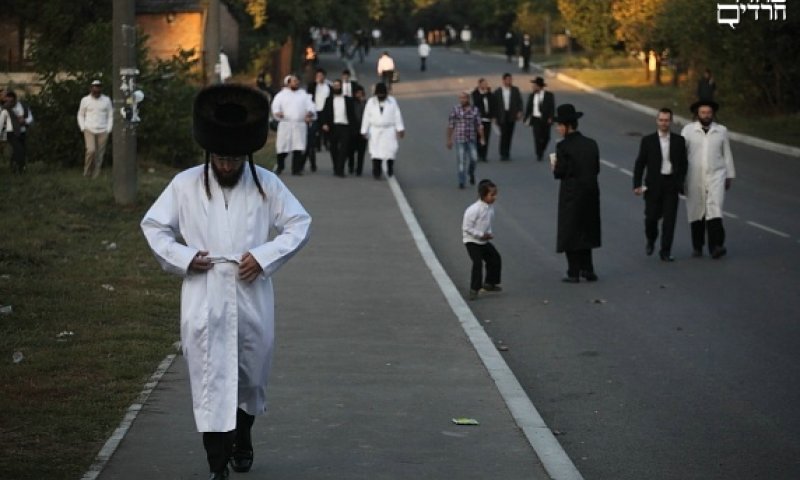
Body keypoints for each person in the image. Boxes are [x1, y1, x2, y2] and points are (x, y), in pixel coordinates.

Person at [140, 84, 311, 480]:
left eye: (235, 159)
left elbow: (300, 223)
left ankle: (243, 436)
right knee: (209, 377)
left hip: (252, 291)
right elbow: (154, 226)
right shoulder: (184, 184)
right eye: (221, 158)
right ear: (208, 153)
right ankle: (217, 466)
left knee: (250, 376)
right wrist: (184, 258)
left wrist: (264, 256)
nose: (228, 166)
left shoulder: (268, 184)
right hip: (205, 292)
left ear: (247, 154)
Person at [551, 104, 601, 283]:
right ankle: (588, 269)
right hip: (590, 193)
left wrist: (554, 166)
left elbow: (560, 172)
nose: (557, 128)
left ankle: (573, 271)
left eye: (559, 125)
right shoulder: (591, 143)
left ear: (567, 126)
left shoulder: (563, 146)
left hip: (571, 193)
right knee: (586, 229)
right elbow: (596, 168)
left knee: (570, 231)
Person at [681, 99, 735, 259]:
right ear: (697, 114)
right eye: (703, 113)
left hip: (716, 175)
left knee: (715, 209)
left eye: (709, 113)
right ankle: (697, 246)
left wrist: (729, 175)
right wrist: (679, 177)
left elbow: (727, 154)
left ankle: (716, 246)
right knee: (696, 211)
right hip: (693, 176)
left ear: (713, 114)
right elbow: (681, 154)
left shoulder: (721, 131)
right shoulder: (688, 130)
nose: (706, 116)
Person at [632, 108, 688, 262]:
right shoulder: (648, 141)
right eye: (661, 120)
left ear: (671, 121)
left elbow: (683, 164)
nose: (664, 123)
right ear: (657, 121)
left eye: (667, 120)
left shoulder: (679, 141)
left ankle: (665, 251)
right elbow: (640, 163)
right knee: (651, 218)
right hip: (653, 185)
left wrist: (680, 181)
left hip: (671, 184)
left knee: (669, 220)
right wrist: (636, 184)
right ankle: (651, 239)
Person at [462, 179, 502, 300]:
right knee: (477, 263)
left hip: (483, 241)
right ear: (483, 195)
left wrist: (488, 234)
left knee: (495, 258)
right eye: (491, 195)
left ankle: (490, 283)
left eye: (495, 194)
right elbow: (466, 227)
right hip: (472, 241)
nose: (494, 197)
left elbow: (487, 223)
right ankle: (474, 289)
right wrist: (480, 234)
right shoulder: (473, 209)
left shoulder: (490, 208)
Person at [271, 75, 316, 175]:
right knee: (282, 147)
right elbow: (275, 106)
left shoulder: (303, 94)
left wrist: (309, 113)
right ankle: (280, 166)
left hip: (299, 125)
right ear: (288, 82)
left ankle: (296, 169)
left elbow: (311, 106)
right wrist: (278, 112)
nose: (296, 83)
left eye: (297, 81)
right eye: (294, 81)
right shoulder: (281, 95)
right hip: (285, 124)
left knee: (298, 148)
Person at [360, 82, 405, 179]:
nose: (381, 96)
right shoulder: (371, 102)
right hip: (375, 130)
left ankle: (390, 168)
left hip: (389, 130)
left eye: (382, 94)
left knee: (390, 150)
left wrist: (400, 129)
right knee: (375, 152)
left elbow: (397, 115)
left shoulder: (392, 101)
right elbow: (366, 116)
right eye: (379, 94)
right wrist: (364, 130)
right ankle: (376, 171)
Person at [77, 79, 114, 178]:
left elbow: (110, 115)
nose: (96, 89)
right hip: (89, 129)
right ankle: (87, 172)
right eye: (94, 87)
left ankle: (96, 174)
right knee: (91, 150)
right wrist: (83, 127)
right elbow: (80, 115)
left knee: (99, 153)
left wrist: (109, 129)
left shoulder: (106, 100)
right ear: (91, 88)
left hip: (103, 130)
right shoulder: (85, 100)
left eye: (98, 87)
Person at [447, 91, 484, 189]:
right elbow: (451, 125)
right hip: (460, 139)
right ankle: (461, 181)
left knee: (474, 158)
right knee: (461, 161)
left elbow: (479, 125)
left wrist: (482, 137)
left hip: (471, 138)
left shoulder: (474, 110)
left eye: (464, 98)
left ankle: (471, 172)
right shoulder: (456, 110)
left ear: (468, 99)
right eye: (461, 98)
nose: (462, 100)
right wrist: (449, 139)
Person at [320, 79, 356, 177]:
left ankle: (340, 169)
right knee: (333, 149)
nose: (336, 87)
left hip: (345, 127)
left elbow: (352, 115)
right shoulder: (329, 100)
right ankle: (336, 167)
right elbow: (324, 113)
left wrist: (354, 128)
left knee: (344, 149)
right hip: (333, 127)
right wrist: (324, 124)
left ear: (341, 87)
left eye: (338, 86)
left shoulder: (348, 100)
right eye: (335, 86)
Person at [492, 73, 523, 161]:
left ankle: (507, 152)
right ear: (503, 80)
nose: (509, 81)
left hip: (511, 114)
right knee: (504, 134)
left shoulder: (515, 90)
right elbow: (494, 105)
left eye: (511, 79)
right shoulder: (498, 91)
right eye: (508, 79)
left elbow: (519, 102)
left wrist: (520, 111)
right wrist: (494, 116)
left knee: (509, 134)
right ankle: (502, 153)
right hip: (501, 115)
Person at [523, 76, 555, 162]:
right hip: (535, 119)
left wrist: (551, 118)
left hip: (546, 119)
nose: (533, 87)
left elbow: (552, 108)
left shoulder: (549, 95)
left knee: (547, 137)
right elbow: (528, 108)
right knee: (537, 137)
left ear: (539, 86)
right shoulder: (532, 96)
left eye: (535, 86)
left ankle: (542, 149)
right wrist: (525, 119)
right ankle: (539, 153)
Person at [2, 90, 33, 174]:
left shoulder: (23, 106)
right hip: (11, 133)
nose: (9, 103)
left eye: (11, 101)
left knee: (20, 150)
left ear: (15, 100)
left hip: (22, 132)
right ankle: (21, 169)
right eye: (7, 101)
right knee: (19, 150)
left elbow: (30, 118)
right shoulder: (4, 109)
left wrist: (25, 121)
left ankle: (14, 166)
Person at [306, 68, 331, 172]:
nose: (319, 78)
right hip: (314, 113)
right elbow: (308, 98)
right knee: (312, 137)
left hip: (324, 112)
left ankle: (325, 142)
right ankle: (312, 162)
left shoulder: (329, 86)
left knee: (325, 131)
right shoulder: (312, 86)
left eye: (321, 76)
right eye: (318, 76)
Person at [471, 78, 495, 162]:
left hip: (487, 119)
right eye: (484, 84)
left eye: (486, 84)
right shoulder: (475, 93)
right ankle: (478, 154)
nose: (485, 85)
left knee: (486, 137)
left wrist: (493, 116)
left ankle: (484, 155)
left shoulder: (489, 94)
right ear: (479, 85)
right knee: (478, 137)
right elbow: (476, 102)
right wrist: (483, 94)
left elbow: (493, 105)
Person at [349, 85, 368, 176]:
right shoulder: (351, 103)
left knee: (361, 152)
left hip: (363, 131)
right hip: (353, 131)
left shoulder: (367, 103)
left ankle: (359, 170)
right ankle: (351, 166)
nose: (359, 95)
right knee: (351, 151)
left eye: (361, 93)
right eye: (358, 93)